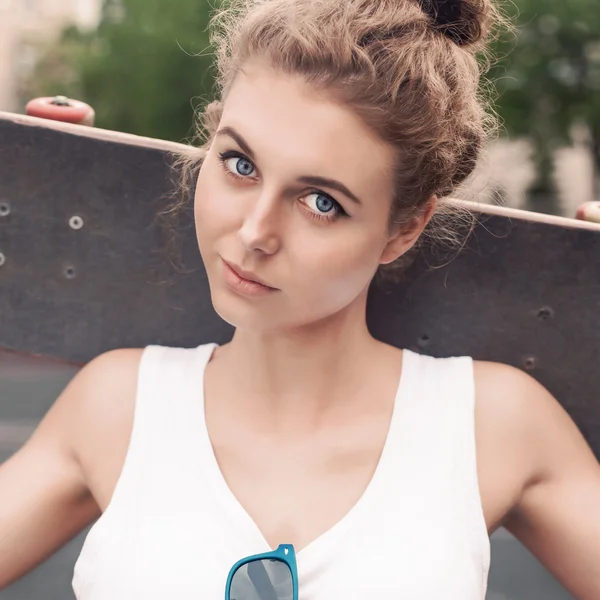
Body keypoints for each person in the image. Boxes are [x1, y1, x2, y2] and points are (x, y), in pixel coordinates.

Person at [1, 0, 600, 598]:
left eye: (321, 202)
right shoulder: (116, 405)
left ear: (404, 229)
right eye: (239, 164)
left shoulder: (494, 423)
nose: (255, 233)